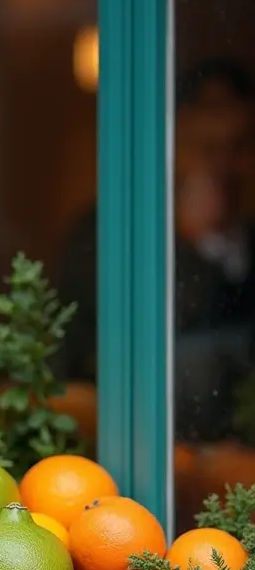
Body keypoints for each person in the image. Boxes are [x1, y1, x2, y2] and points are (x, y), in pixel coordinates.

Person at [56, 58, 255, 443]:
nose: (224, 168)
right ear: (174, 146)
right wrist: (194, 241)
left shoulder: (248, 235)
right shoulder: (111, 231)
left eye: (238, 147)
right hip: (131, 440)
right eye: (208, 149)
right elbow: (111, 351)